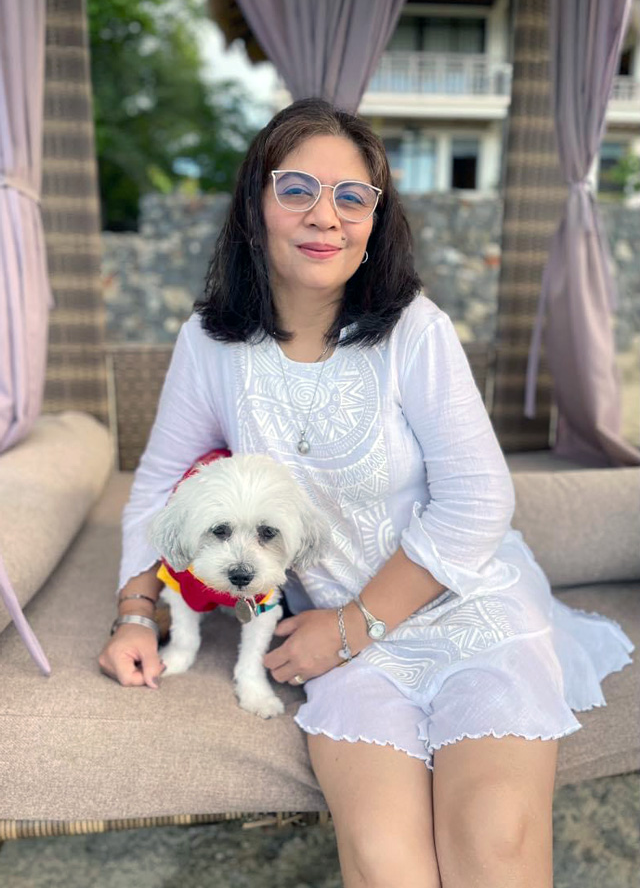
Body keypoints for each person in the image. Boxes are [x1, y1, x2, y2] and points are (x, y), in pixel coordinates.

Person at [99, 97, 634, 888]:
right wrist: (136, 611)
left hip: (464, 604)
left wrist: (351, 625)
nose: (327, 217)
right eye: (298, 190)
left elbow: (480, 498)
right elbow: (155, 485)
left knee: (493, 847)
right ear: (256, 203)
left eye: (353, 197)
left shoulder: (413, 330)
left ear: (376, 220)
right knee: (388, 866)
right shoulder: (210, 343)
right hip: (337, 636)